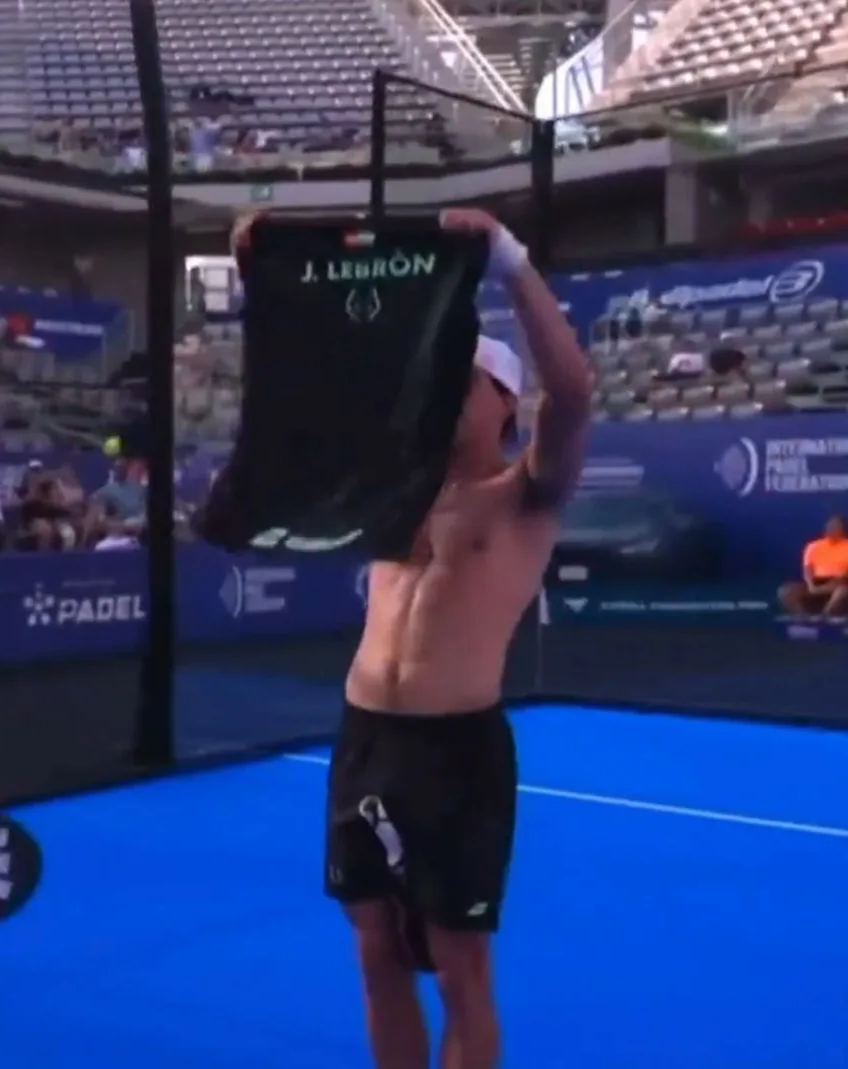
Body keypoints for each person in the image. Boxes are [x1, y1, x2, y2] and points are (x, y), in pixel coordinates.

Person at [221, 209, 592, 1069]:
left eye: (466, 379)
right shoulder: (392, 483)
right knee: (375, 954)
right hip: (365, 736)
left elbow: (573, 393)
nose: (444, 390)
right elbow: (313, 369)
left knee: (460, 966)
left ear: (504, 403)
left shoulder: (524, 498)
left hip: (454, 748)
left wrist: (509, 260)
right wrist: (264, 274)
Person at [779, 514, 848, 618]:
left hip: (838, 583)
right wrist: (811, 585)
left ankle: (823, 617)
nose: (831, 529)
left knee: (842, 591)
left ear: (842, 529)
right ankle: (804, 618)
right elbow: (807, 569)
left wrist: (826, 587)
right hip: (814, 583)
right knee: (785, 592)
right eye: (829, 526)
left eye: (835, 526)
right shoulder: (813, 546)